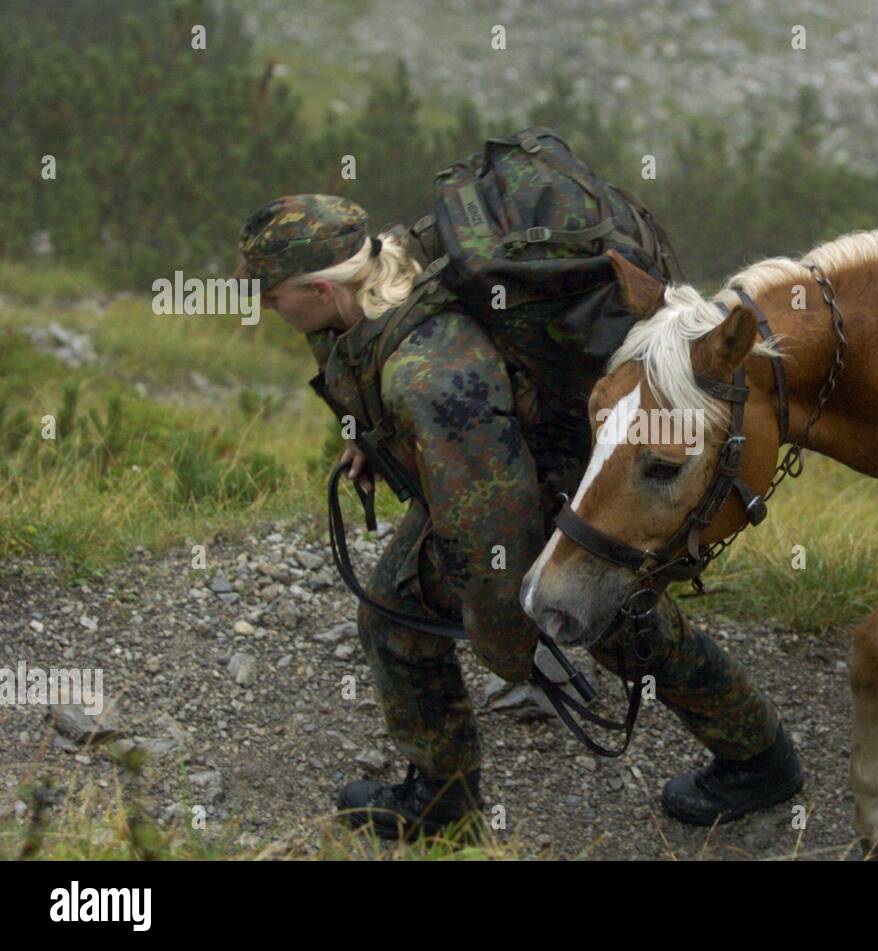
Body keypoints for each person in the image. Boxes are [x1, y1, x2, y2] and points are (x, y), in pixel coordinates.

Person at [234, 193, 803, 840]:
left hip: (532, 482)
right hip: (516, 465)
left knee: (398, 618)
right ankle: (759, 756)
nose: (265, 307)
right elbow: (355, 370)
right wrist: (363, 436)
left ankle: (443, 804)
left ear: (317, 288)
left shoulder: (431, 376)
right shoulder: (369, 286)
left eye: (271, 294)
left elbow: (490, 531)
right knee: (623, 620)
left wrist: (507, 638)